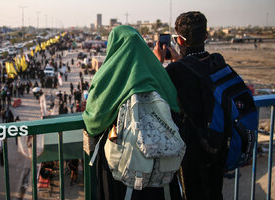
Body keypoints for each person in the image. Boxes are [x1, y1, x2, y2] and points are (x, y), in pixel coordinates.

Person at [83, 25, 181, 200]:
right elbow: (175, 107)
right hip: (160, 171)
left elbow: (94, 120)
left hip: (122, 169)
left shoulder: (107, 75)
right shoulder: (158, 73)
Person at [153, 11, 228, 200]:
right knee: (214, 192)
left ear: (179, 40)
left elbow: (154, 94)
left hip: (191, 148)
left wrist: (157, 62)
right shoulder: (217, 61)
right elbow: (199, 72)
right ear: (206, 36)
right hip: (218, 140)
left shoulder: (175, 71)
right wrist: (181, 60)